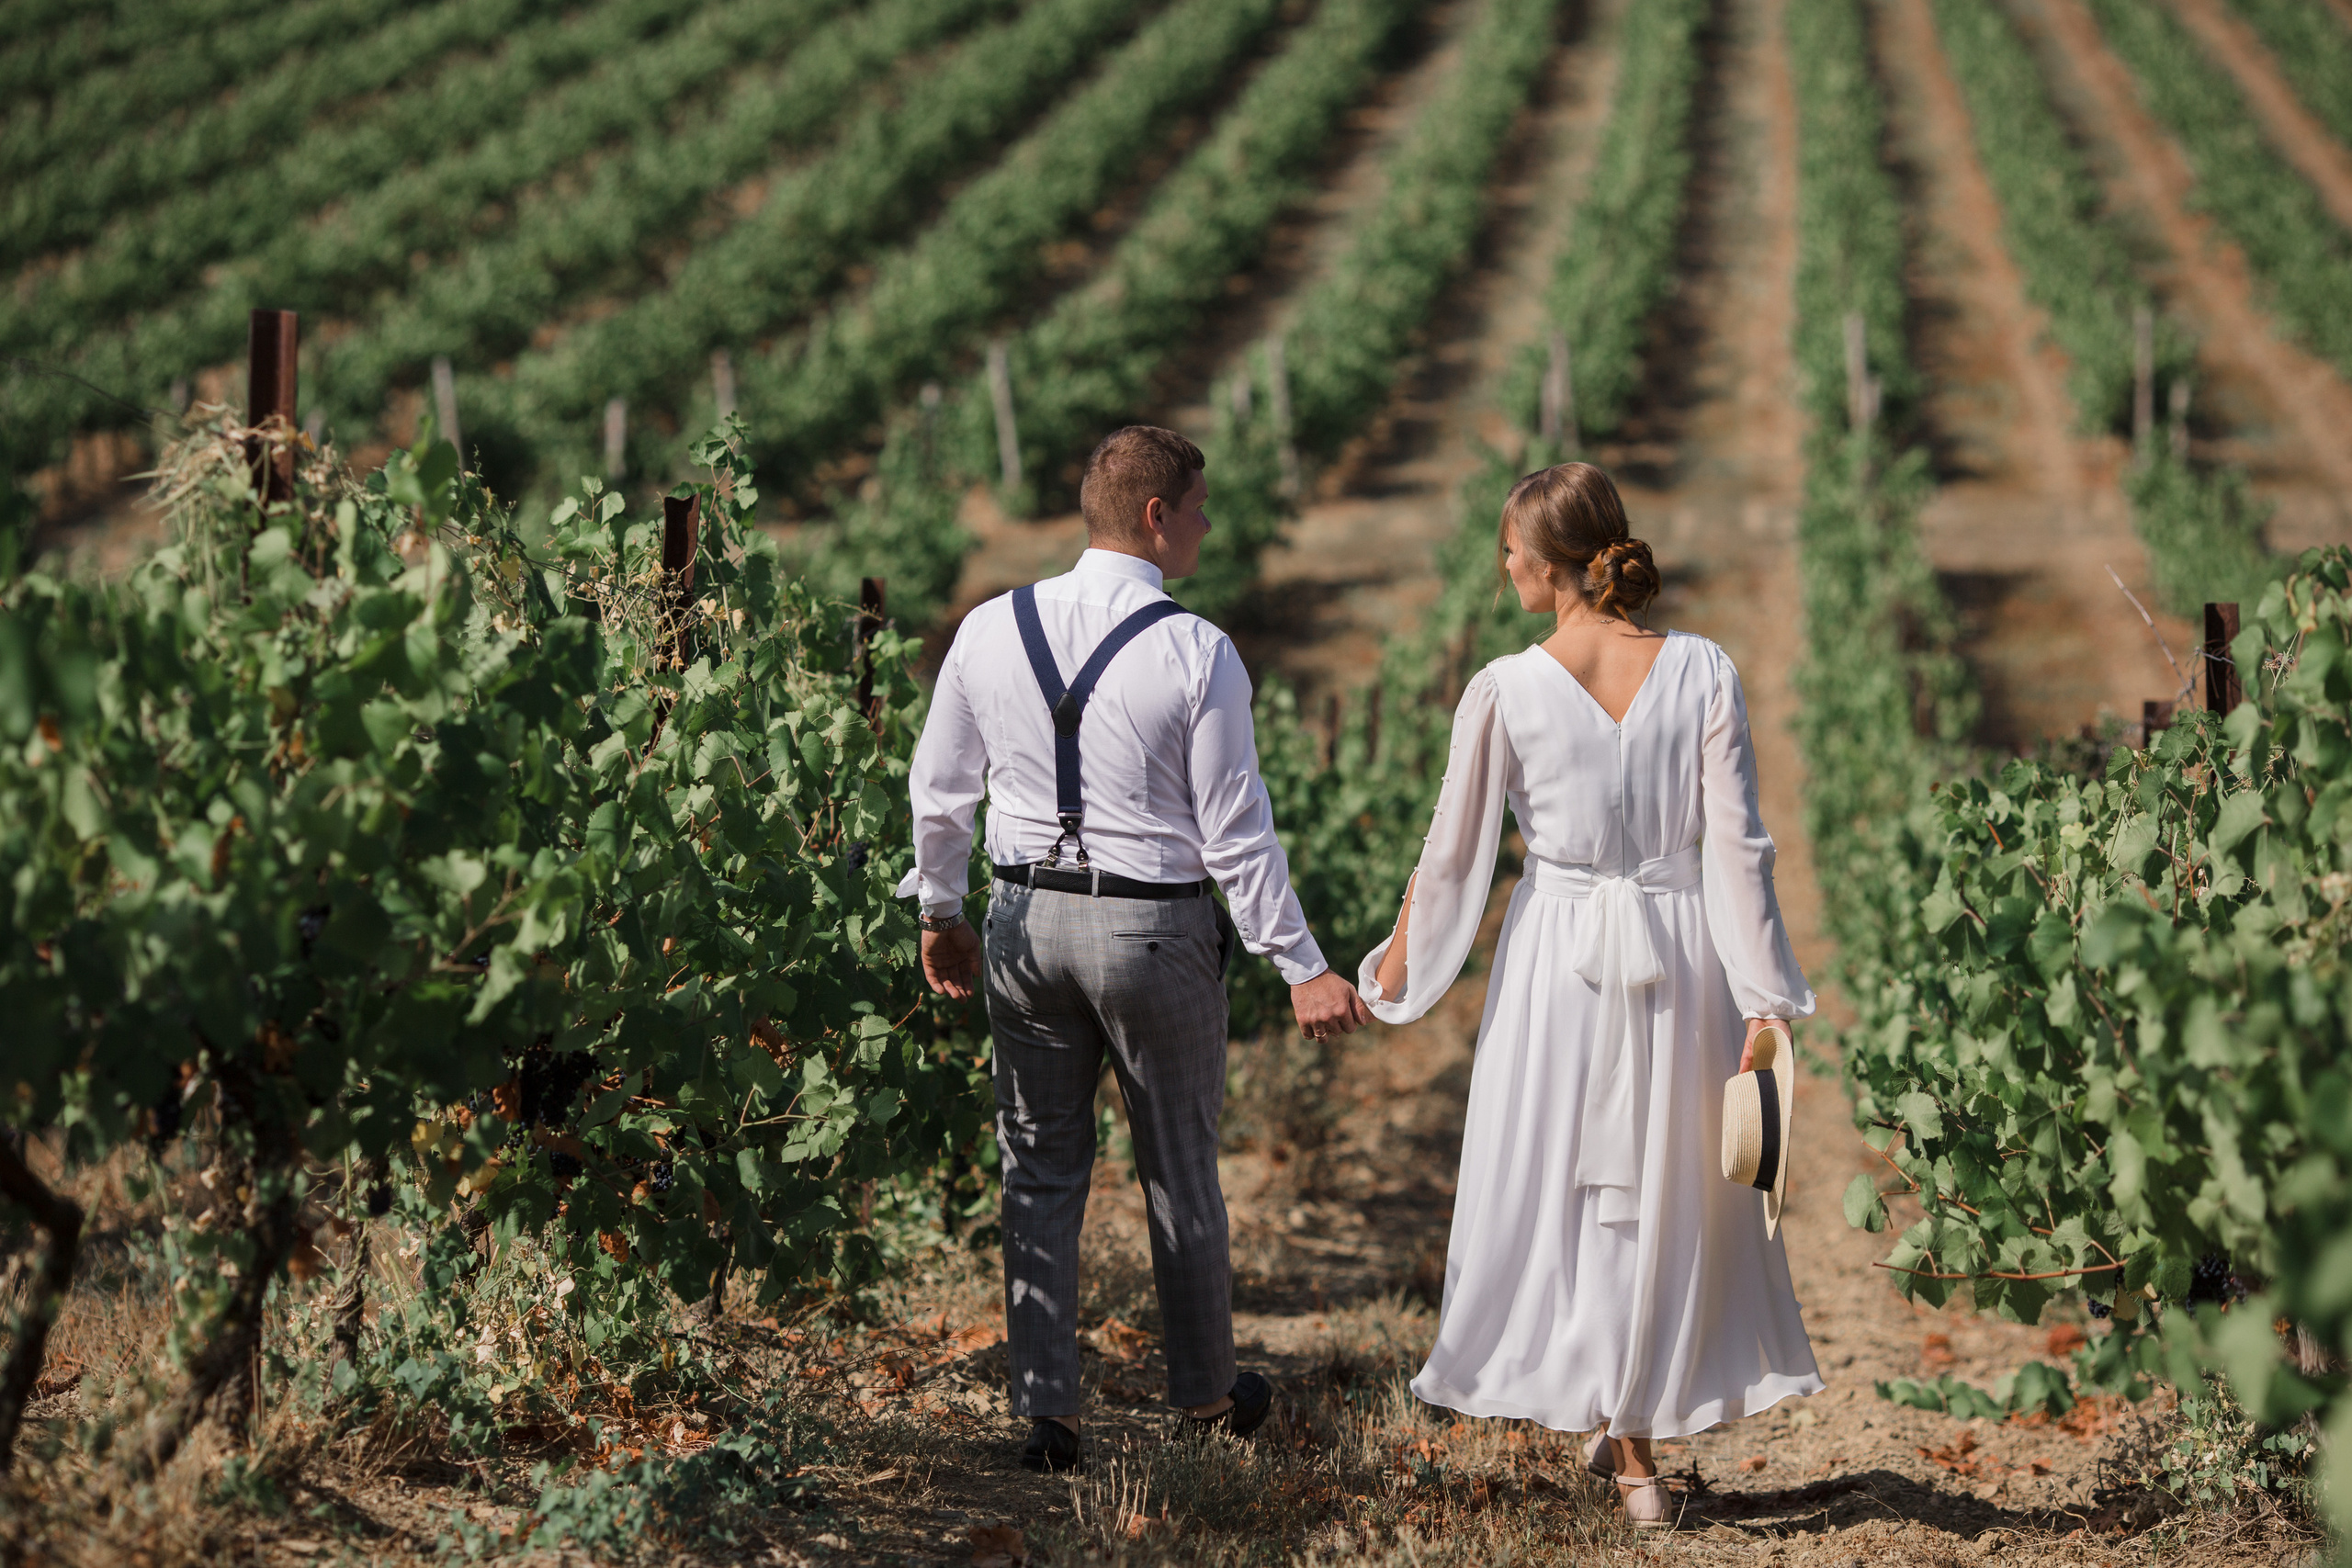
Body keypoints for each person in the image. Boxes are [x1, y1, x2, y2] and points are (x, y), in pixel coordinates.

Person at [1359, 462, 1821, 1528]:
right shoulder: (1703, 669)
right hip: (1679, 951)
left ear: (1551, 564)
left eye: (1510, 550)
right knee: (1660, 1187)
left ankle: (1630, 1450)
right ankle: (1626, 1425)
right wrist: (1763, 995)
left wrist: (1391, 967)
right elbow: (1738, 850)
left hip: (1556, 962)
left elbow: (1451, 854)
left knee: (1572, 1188)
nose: (1502, 567)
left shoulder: (1504, 687)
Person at [902, 424, 1371, 1473]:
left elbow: (940, 791)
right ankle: (1204, 1397)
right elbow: (1235, 831)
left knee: (1036, 1166)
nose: (1208, 525)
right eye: (1198, 508)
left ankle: (1048, 1415)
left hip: (1024, 925)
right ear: (1156, 517)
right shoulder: (1197, 650)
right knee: (1179, 1169)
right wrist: (1300, 964)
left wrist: (939, 910)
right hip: (1153, 931)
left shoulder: (989, 627)